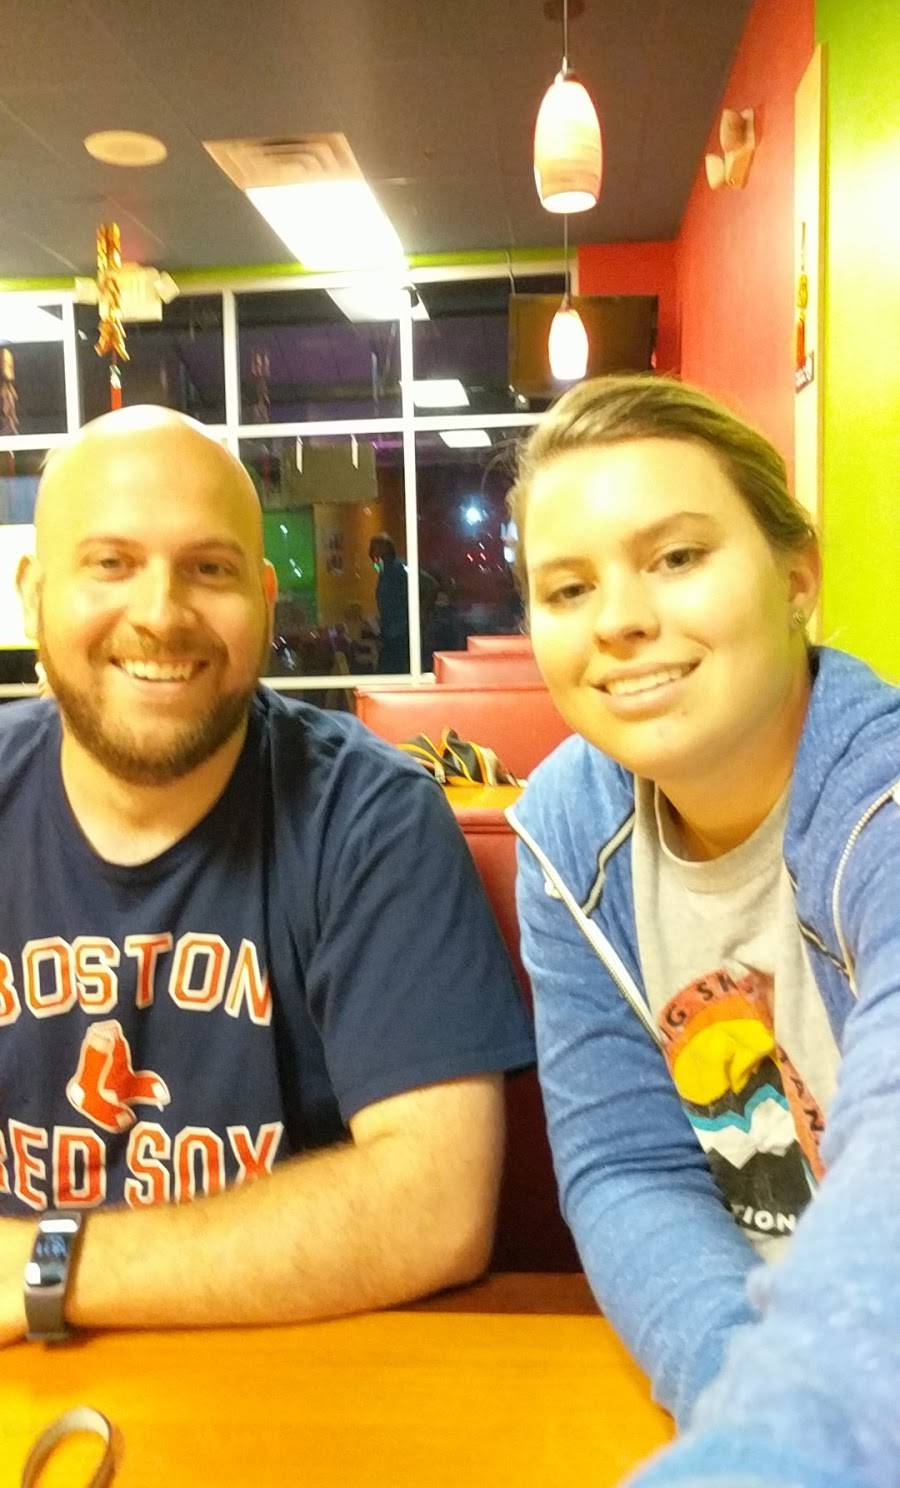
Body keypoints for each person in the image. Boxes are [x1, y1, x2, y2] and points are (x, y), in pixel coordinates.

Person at [0, 405, 534, 1346]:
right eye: (111, 562)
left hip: (294, 1364)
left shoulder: (369, 816)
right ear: (33, 592)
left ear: (265, 597)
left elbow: (435, 1206)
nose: (160, 614)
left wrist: (48, 1267)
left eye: (209, 569)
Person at [506, 374, 899, 1488]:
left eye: (676, 556)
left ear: (796, 577)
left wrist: (781, 1442)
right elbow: (627, 1167)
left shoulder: (880, 799)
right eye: (569, 587)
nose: (619, 618)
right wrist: (739, 1393)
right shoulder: (567, 836)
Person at [368, 533, 409, 673]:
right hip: (389, 631)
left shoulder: (399, 568)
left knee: (394, 670)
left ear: (386, 548)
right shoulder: (383, 570)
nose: (371, 552)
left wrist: (420, 615)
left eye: (375, 547)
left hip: (400, 632)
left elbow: (429, 585)